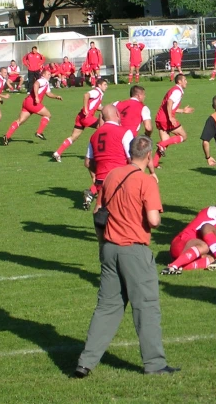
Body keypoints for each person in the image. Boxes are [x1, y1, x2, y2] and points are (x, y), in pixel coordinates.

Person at [74, 136, 179, 378]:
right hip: (134, 250)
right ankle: (154, 363)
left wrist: (102, 245)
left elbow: (98, 213)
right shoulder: (146, 181)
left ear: (129, 153)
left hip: (109, 248)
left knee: (107, 307)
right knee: (146, 307)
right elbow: (153, 220)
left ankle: (85, 362)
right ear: (149, 156)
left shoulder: (111, 176)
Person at [83, 104, 137, 210]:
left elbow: (87, 162)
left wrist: (98, 172)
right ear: (117, 114)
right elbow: (132, 159)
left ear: (102, 118)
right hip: (119, 180)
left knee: (101, 210)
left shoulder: (94, 135)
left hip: (100, 180)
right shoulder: (125, 132)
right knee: (121, 212)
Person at [52, 78, 108, 162]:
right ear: (99, 85)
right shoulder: (96, 91)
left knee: (74, 137)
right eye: (105, 85)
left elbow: (98, 107)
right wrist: (85, 108)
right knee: (105, 128)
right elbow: (86, 95)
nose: (106, 86)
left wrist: (110, 109)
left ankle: (57, 153)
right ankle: (101, 154)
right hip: (86, 117)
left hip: (80, 117)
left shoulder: (99, 94)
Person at [2, 69, 63, 145]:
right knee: (47, 115)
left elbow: (48, 93)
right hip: (32, 102)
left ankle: (7, 136)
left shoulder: (46, 82)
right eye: (48, 74)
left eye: (50, 74)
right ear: (43, 75)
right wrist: (36, 97)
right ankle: (39, 132)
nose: (49, 76)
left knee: (20, 120)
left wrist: (56, 96)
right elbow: (36, 84)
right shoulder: (42, 80)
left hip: (27, 102)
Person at [153, 74, 194, 169]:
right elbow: (170, 102)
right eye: (185, 80)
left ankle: (154, 163)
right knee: (183, 136)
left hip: (160, 117)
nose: (186, 82)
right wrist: (171, 117)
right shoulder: (177, 91)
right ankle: (161, 144)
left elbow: (171, 107)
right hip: (166, 119)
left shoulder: (174, 90)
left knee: (166, 142)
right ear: (179, 81)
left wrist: (182, 111)